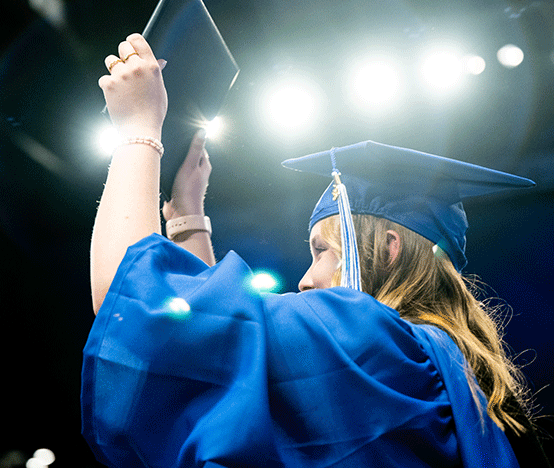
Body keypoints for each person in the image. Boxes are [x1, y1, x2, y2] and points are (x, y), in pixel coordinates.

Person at [82, 34, 550, 468]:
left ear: (387, 249)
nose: (305, 279)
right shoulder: (461, 383)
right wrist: (187, 215)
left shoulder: (377, 344)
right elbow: (231, 368)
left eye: (322, 250)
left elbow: (138, 313)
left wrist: (138, 133)